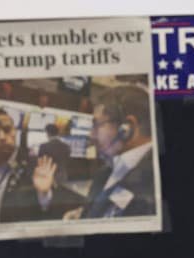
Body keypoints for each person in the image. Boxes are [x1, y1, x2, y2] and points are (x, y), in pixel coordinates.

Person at [0, 108, 76, 224]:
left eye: (7, 130)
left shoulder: (34, 168)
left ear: (14, 132)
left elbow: (48, 215)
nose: (2, 137)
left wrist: (43, 194)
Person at [63, 85, 156, 219]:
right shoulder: (107, 170)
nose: (91, 135)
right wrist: (82, 216)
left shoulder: (153, 183)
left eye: (96, 125)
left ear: (127, 128)